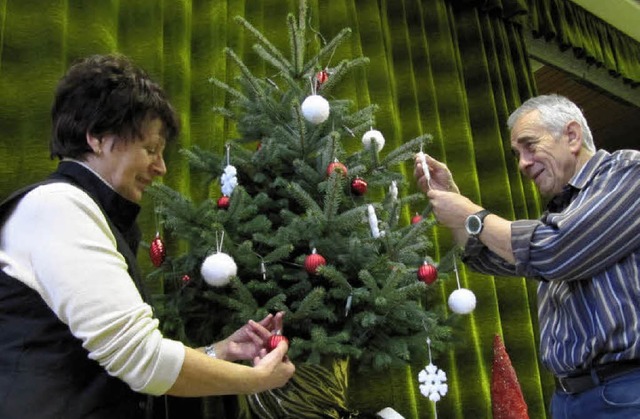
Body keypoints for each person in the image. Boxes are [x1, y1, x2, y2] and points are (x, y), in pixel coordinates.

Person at [0, 54, 295, 419]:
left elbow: (130, 363)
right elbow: (142, 360)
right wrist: (257, 380)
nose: (161, 167)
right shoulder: (58, 207)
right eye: (151, 150)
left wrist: (220, 351)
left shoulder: (83, 210)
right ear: (98, 137)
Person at [414, 94, 640, 418]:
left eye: (530, 146)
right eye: (517, 153)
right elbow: (489, 256)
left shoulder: (629, 172)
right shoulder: (564, 209)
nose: (522, 163)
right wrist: (454, 200)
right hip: (567, 398)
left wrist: (469, 214)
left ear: (572, 136)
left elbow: (554, 251)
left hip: (624, 392)